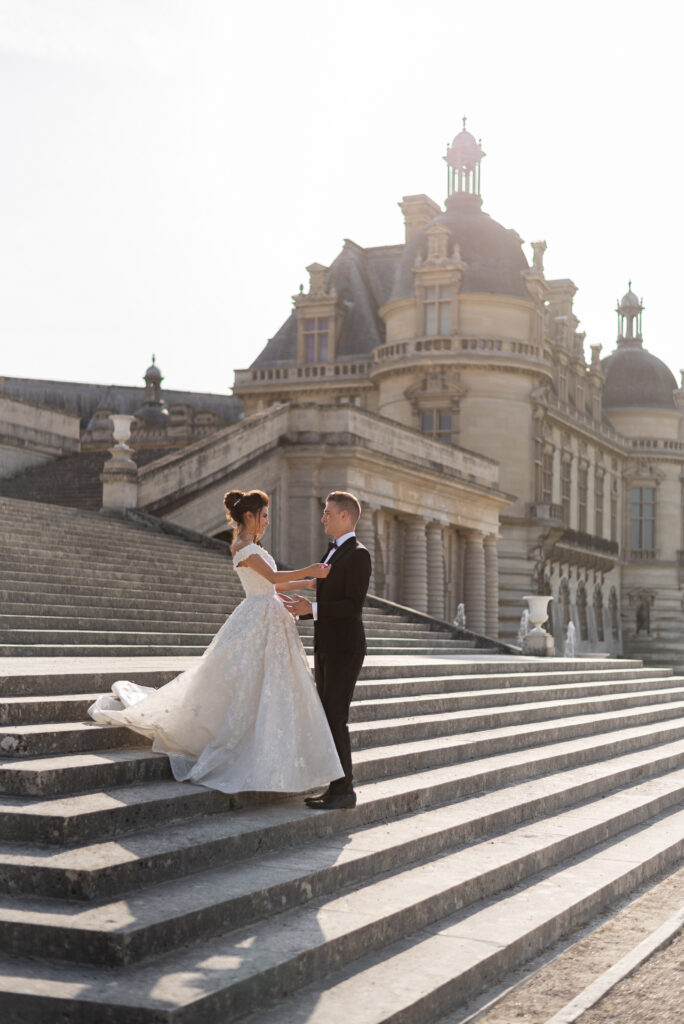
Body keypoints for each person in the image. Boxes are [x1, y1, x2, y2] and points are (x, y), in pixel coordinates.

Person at [88, 489, 343, 795]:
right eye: (263, 516)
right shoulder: (242, 546)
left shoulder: (254, 547)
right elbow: (272, 580)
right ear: (248, 516)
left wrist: (307, 583)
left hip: (269, 616)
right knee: (247, 680)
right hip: (257, 617)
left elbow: (272, 581)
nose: (267, 522)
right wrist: (310, 570)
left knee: (270, 683)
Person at [287, 491, 372, 810]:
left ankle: (344, 790)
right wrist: (305, 609)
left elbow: (353, 605)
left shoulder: (358, 554)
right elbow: (328, 595)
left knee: (336, 717)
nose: (322, 517)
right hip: (327, 645)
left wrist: (314, 608)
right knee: (328, 716)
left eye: (328, 512)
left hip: (345, 648)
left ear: (345, 516)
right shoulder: (333, 551)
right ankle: (335, 786)